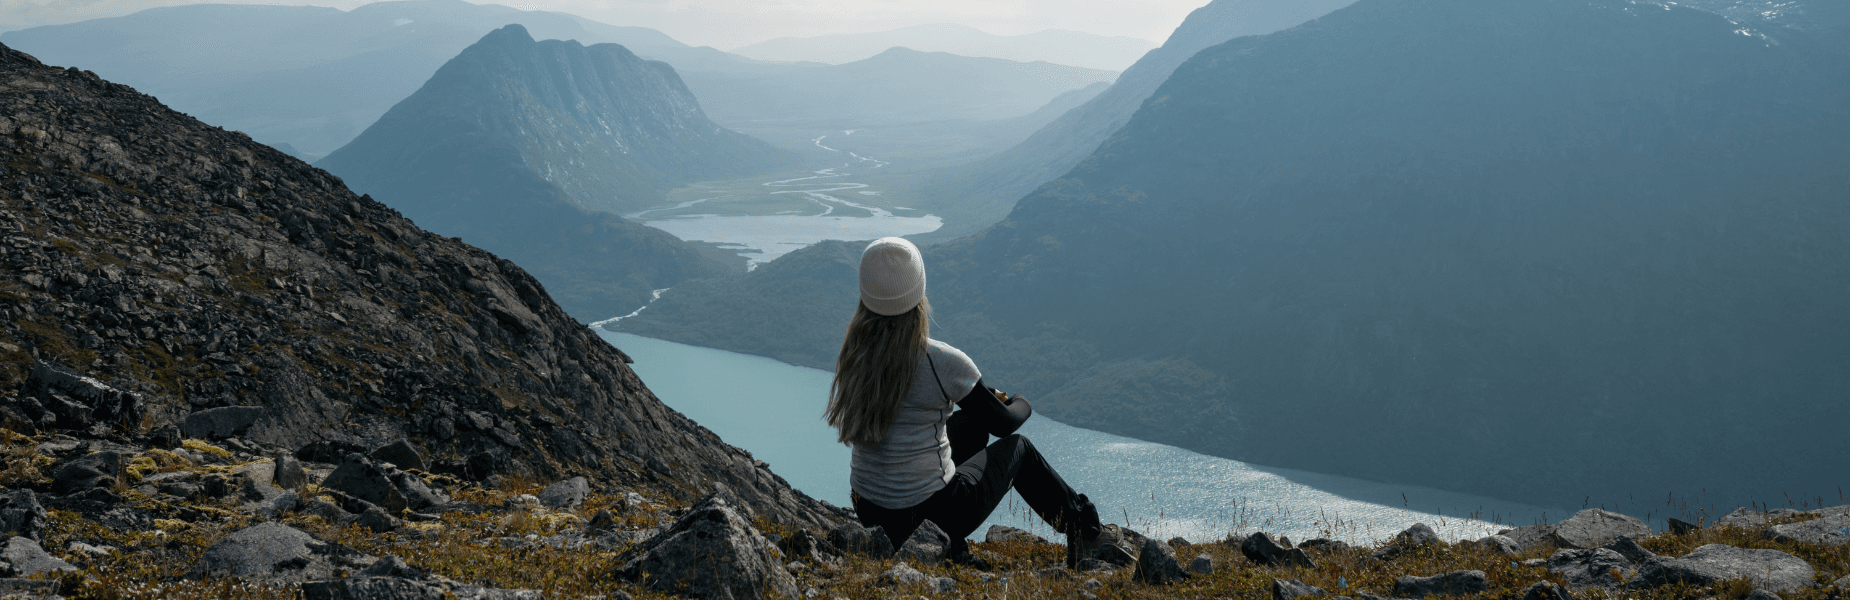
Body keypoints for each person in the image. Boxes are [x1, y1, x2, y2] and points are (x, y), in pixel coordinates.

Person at [825, 237, 1108, 567]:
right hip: (931, 515)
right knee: (1020, 450)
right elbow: (1004, 423)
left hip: (869, 509)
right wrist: (1021, 401)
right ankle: (1085, 531)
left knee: (972, 426)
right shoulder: (941, 360)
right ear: (920, 293)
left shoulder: (854, 352)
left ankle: (949, 544)